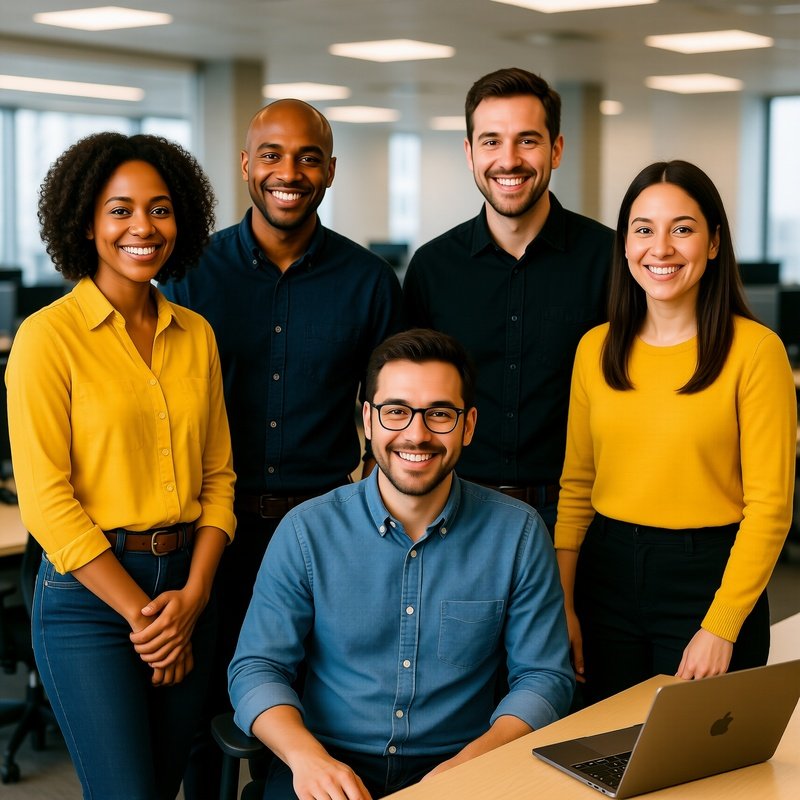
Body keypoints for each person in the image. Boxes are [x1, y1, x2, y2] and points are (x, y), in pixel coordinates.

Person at [161, 98, 402, 797]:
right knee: (199, 716)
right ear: (245, 164)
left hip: (323, 537)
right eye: (271, 154)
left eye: (307, 157)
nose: (288, 172)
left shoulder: (369, 284)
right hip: (208, 531)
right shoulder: (189, 274)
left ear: (330, 170)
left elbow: (394, 416)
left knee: (299, 710)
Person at [229, 328, 574, 800]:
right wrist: (306, 759)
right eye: (396, 412)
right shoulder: (305, 531)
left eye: (440, 414)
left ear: (469, 425)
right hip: (326, 761)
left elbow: (544, 677)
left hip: (465, 764)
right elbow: (256, 669)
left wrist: (473, 762)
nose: (417, 434)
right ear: (368, 421)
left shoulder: (518, 532)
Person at [5, 132, 236, 799]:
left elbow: (218, 480)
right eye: (121, 209)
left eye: (160, 209)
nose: (143, 227)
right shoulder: (47, 338)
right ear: (86, 222)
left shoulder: (197, 335)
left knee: (164, 785)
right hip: (90, 599)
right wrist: (147, 619)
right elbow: (47, 504)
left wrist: (189, 601)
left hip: (188, 583)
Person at [555, 160, 796, 705]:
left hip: (708, 578)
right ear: (624, 244)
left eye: (682, 229)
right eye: (643, 229)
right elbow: (576, 488)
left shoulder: (756, 352)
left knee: (694, 768)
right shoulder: (595, 349)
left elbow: (770, 508)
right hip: (607, 574)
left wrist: (722, 625)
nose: (659, 248)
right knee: (599, 752)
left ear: (713, 243)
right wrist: (564, 602)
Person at [403, 67, 613, 532]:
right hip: (455, 513)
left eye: (528, 140)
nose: (509, 159)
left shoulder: (610, 260)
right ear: (470, 152)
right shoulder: (433, 268)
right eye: (492, 141)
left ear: (556, 150)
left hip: (581, 517)